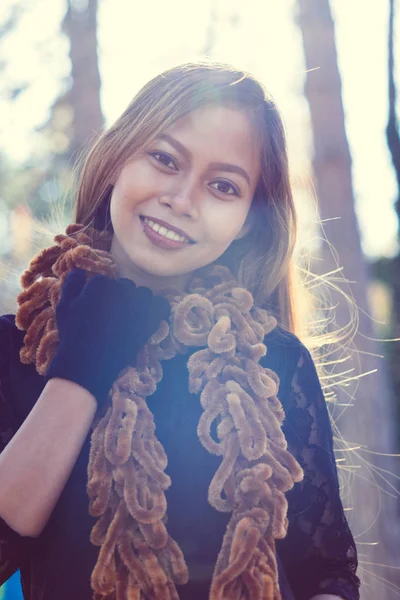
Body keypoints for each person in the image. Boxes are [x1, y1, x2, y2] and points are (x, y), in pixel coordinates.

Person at [0, 62, 361, 600]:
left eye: (223, 185)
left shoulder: (276, 363)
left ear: (248, 219)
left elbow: (326, 574)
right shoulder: (19, 347)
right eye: (165, 159)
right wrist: (80, 368)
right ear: (118, 158)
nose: (183, 199)